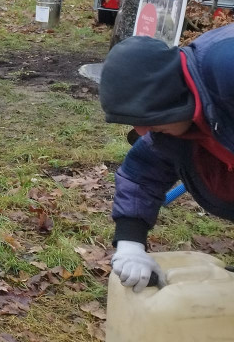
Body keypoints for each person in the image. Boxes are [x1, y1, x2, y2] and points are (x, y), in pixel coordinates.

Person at [99, 28, 234, 292]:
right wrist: (130, 243)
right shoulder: (174, 123)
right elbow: (141, 174)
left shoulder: (225, 69)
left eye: (145, 119)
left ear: (168, 97)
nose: (141, 133)